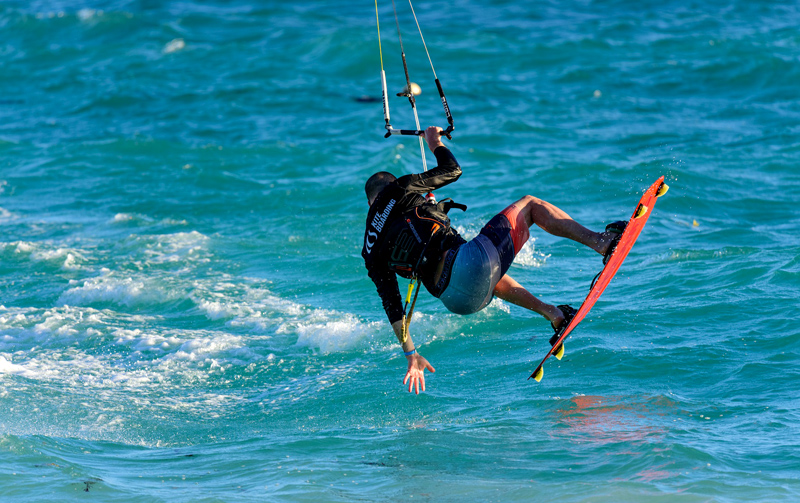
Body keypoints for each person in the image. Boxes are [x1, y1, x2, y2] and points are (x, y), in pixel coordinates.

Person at [362, 126, 625, 394]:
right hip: (466, 264)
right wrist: (434, 143)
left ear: (370, 204)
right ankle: (602, 243)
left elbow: (393, 307)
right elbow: (452, 169)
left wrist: (411, 354)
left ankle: (554, 315)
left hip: (458, 301)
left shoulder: (369, 250)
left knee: (488, 272)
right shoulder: (399, 189)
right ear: (390, 184)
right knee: (530, 205)